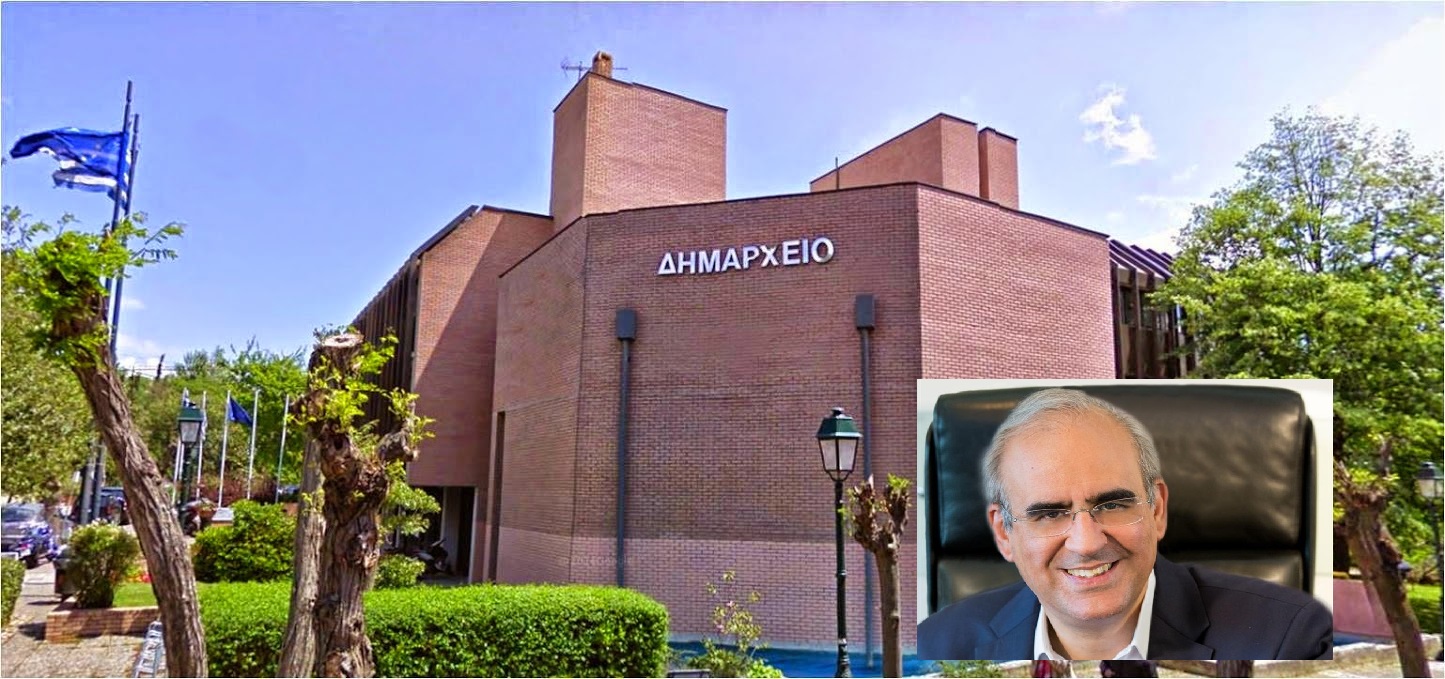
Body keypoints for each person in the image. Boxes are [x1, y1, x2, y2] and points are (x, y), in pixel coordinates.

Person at [917, 388, 1332, 661]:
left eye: (1112, 504)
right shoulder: (937, 647)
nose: (1085, 542)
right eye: (1049, 514)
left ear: (1157, 510)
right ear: (1004, 532)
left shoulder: (1290, 639)